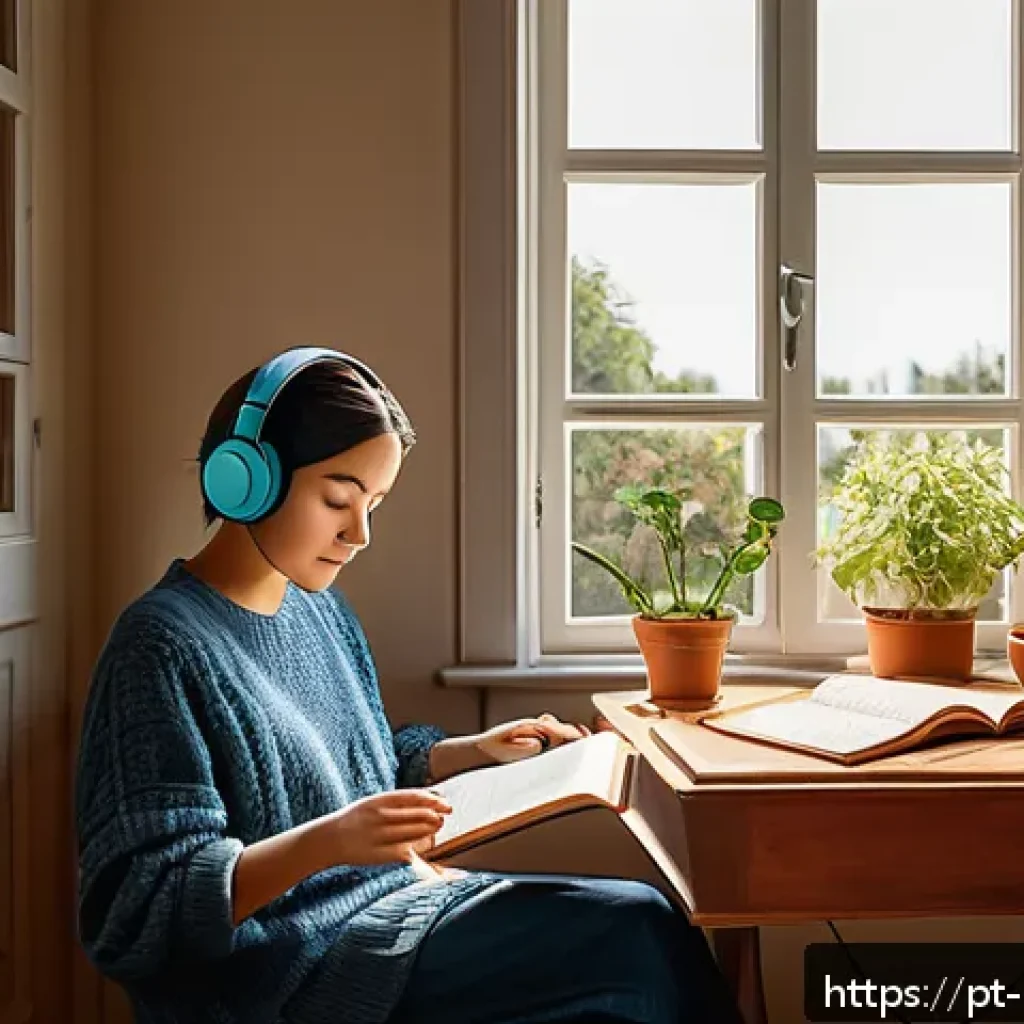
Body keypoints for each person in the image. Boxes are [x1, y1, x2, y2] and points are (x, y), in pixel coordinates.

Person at [74, 347, 742, 1024]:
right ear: (246, 480)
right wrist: (326, 844)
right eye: (338, 497)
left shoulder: (318, 608)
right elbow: (137, 911)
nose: (359, 533)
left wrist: (468, 753)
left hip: (395, 907)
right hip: (294, 974)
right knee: (633, 936)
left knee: (647, 926)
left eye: (375, 504)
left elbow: (360, 771)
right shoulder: (159, 646)